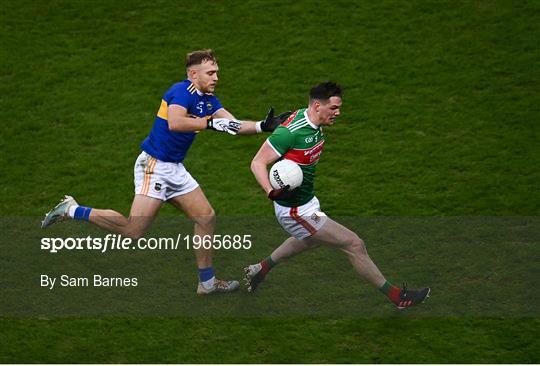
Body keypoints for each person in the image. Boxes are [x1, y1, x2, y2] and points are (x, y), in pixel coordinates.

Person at [41, 49, 290, 295]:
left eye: (217, 73)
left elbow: (232, 124)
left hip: (175, 169)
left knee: (206, 218)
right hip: (154, 167)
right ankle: (72, 209)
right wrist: (209, 123)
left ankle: (207, 282)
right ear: (193, 74)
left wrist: (262, 126)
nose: (216, 78)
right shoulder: (180, 91)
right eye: (210, 73)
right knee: (133, 231)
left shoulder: (209, 101)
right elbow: (176, 122)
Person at [245, 81, 430, 309]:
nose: (338, 113)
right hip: (294, 210)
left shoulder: (307, 120)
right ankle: (397, 297)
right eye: (333, 108)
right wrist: (270, 191)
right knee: (353, 244)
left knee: (308, 241)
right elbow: (257, 162)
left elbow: (292, 119)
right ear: (316, 106)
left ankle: (259, 269)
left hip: (307, 201)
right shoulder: (290, 133)